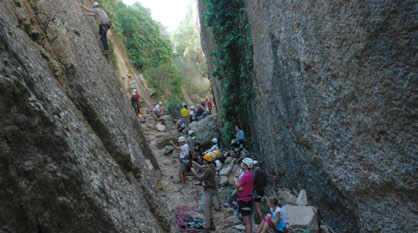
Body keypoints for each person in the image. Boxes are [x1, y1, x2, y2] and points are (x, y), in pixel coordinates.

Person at [191, 153, 217, 232]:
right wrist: (194, 163)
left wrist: (194, 172)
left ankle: (207, 227)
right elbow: (203, 167)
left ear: (206, 161)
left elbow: (200, 178)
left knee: (205, 208)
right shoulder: (212, 166)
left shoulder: (208, 169)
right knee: (209, 208)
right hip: (211, 189)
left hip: (209, 190)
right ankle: (211, 224)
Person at [235, 158, 254, 233]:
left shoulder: (246, 175)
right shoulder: (249, 174)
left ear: (246, 166)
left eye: (242, 163)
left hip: (245, 200)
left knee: (246, 220)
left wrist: (236, 177)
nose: (241, 164)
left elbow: (237, 186)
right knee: (248, 219)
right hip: (247, 198)